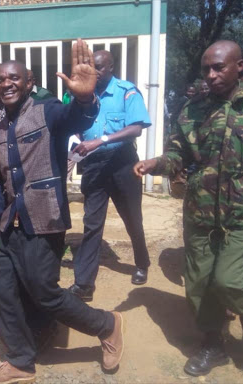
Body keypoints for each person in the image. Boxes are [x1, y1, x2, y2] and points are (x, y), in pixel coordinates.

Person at [0, 39, 125, 384]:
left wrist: (86, 97)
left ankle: (108, 324)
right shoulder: (2, 128)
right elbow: (1, 185)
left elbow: (76, 116)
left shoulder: (48, 111)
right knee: (3, 288)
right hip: (7, 225)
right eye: (0, 80)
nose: (6, 84)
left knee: (43, 291)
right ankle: (19, 362)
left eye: (14, 77)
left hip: (44, 220)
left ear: (30, 83)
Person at [133, 40, 243, 376]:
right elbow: (178, 157)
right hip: (200, 213)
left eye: (220, 67)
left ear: (239, 66)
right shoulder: (191, 110)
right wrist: (156, 163)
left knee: (230, 280)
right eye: (207, 68)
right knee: (199, 284)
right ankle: (213, 345)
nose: (212, 75)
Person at [68, 50, 151, 302]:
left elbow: (136, 128)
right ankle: (84, 284)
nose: (95, 71)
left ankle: (141, 262)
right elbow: (73, 129)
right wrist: (72, 155)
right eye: (93, 66)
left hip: (123, 163)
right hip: (93, 165)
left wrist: (101, 140)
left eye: (100, 67)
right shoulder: (83, 95)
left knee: (131, 219)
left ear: (112, 68)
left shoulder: (127, 91)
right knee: (92, 224)